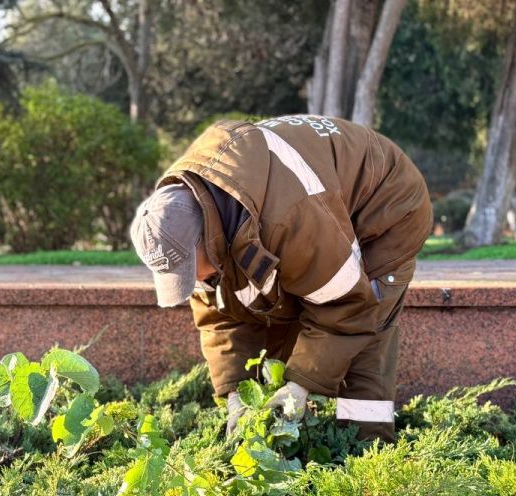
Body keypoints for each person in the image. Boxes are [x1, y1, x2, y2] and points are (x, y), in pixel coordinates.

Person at [130, 115, 433, 442]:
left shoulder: (287, 218)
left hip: (384, 204)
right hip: (317, 212)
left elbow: (347, 306)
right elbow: (220, 320)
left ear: (208, 236)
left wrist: (300, 386)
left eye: (191, 270)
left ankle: (367, 452)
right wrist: (235, 395)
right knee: (284, 331)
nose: (195, 281)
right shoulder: (185, 212)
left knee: (367, 333)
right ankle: (308, 440)